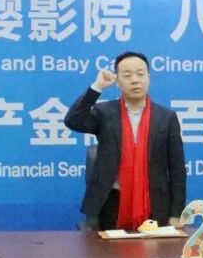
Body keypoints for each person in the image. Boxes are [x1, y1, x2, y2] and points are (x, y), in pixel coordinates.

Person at [64, 52, 187, 230]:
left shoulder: (166, 117)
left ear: (149, 78)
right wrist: (97, 87)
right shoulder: (104, 113)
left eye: (140, 74)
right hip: (110, 203)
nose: (135, 80)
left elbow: (177, 169)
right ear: (117, 81)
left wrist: (176, 213)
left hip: (155, 203)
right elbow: (72, 120)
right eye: (127, 75)